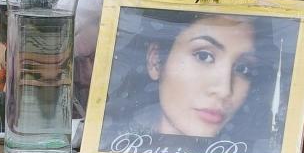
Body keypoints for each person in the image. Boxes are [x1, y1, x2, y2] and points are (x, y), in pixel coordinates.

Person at [102, 9, 288, 143]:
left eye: (243, 68)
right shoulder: (112, 148)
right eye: (204, 56)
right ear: (156, 60)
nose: (224, 90)